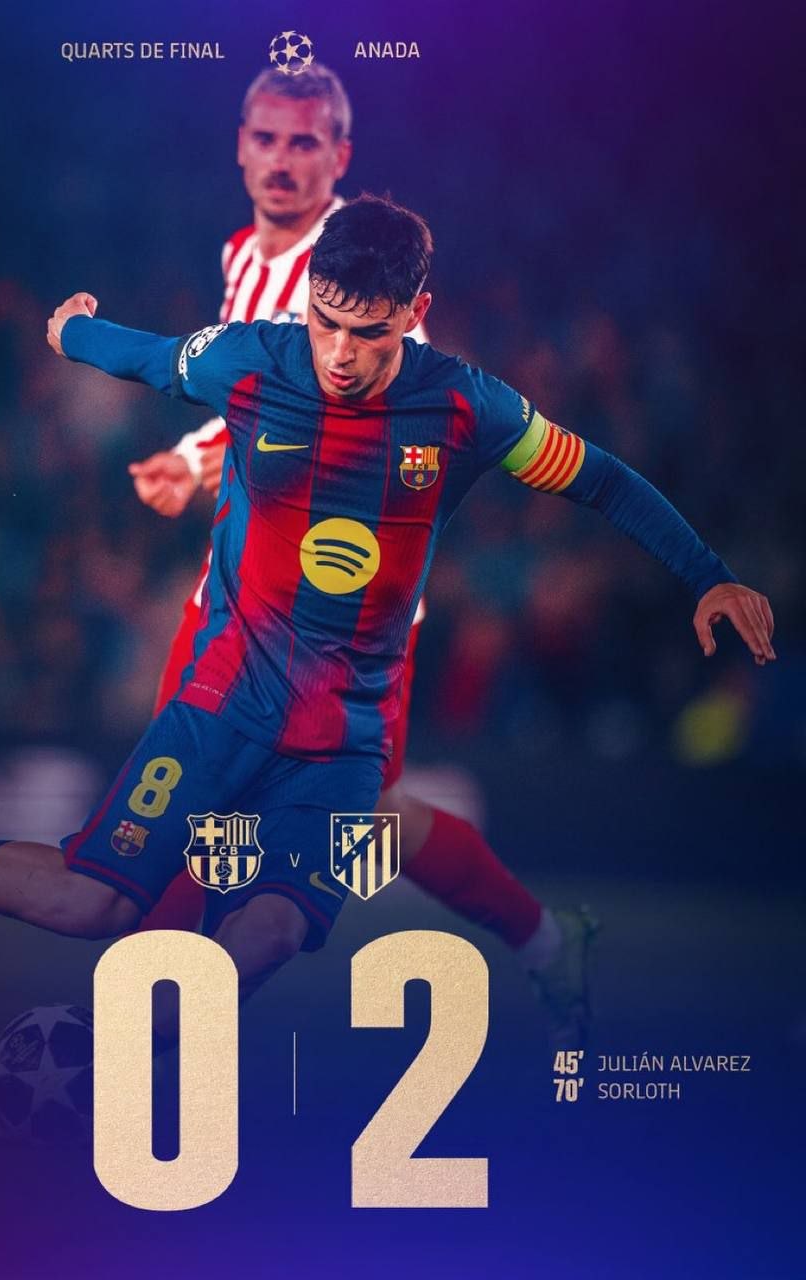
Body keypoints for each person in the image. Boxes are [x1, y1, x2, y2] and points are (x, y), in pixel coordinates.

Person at [0, 197, 775, 1050]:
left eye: (368, 333)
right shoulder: (252, 359)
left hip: (342, 742)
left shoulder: (470, 408)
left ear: (416, 314)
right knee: (90, 901)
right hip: (222, 704)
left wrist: (709, 577)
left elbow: (603, 480)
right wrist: (72, 332)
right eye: (325, 320)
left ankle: (116, 1062)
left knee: (266, 936)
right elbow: (147, 357)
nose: (339, 352)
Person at [125, 63, 598, 1040]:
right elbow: (268, 409)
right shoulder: (244, 255)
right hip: (251, 594)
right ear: (239, 145)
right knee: (296, 815)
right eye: (266, 138)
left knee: (307, 815)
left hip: (344, 622)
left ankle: (138, 1033)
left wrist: (201, 458)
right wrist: (196, 457)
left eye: (304, 142)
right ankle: (544, 938)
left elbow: (362, 421)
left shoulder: (358, 273)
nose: (282, 161)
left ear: (340, 156)